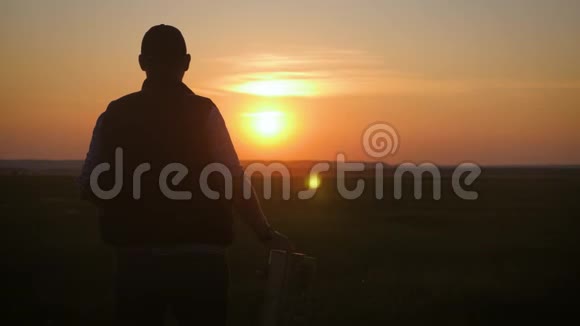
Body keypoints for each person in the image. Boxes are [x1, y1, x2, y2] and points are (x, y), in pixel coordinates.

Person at [78, 24, 293, 326]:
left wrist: (132, 208)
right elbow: (233, 180)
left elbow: (88, 185)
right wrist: (264, 233)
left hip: (136, 261)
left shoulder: (114, 114)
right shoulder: (205, 112)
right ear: (187, 62)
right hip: (202, 262)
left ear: (142, 62)